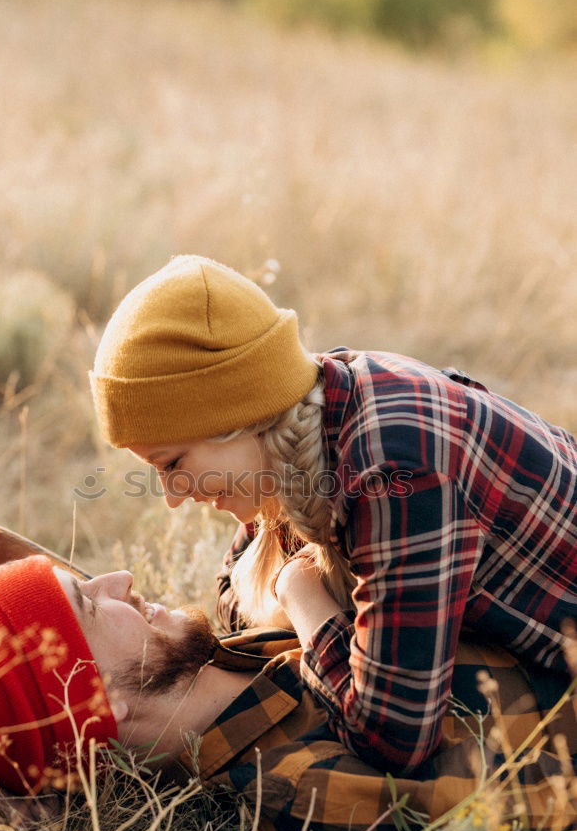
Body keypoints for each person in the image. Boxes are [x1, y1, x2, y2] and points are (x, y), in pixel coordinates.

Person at [90, 254, 577, 777]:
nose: (172, 495)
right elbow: (232, 593)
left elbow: (393, 738)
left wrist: (299, 596)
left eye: (173, 463)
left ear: (234, 416)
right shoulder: (307, 412)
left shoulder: (393, 471)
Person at [0, 512, 575, 831]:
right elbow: (525, 817)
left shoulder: (198, 655)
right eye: (89, 600)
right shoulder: (298, 791)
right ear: (95, 701)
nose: (118, 576)